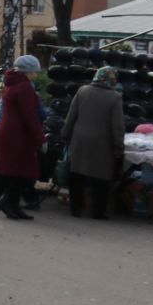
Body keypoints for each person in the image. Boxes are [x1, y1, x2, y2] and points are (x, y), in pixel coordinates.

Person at [63, 64, 126, 219]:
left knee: (76, 175)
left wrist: (66, 134)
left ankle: (75, 209)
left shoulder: (82, 91)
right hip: (102, 143)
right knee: (101, 179)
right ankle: (97, 211)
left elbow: (71, 116)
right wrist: (119, 145)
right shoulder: (115, 97)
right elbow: (117, 125)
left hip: (79, 140)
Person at [0, 55, 47, 221]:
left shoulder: (11, 83)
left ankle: (11, 203)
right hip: (19, 134)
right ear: (27, 71)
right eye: (34, 72)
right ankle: (9, 202)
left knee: (14, 171)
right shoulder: (24, 87)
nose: (36, 75)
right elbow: (30, 116)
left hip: (9, 131)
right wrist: (40, 138)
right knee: (24, 173)